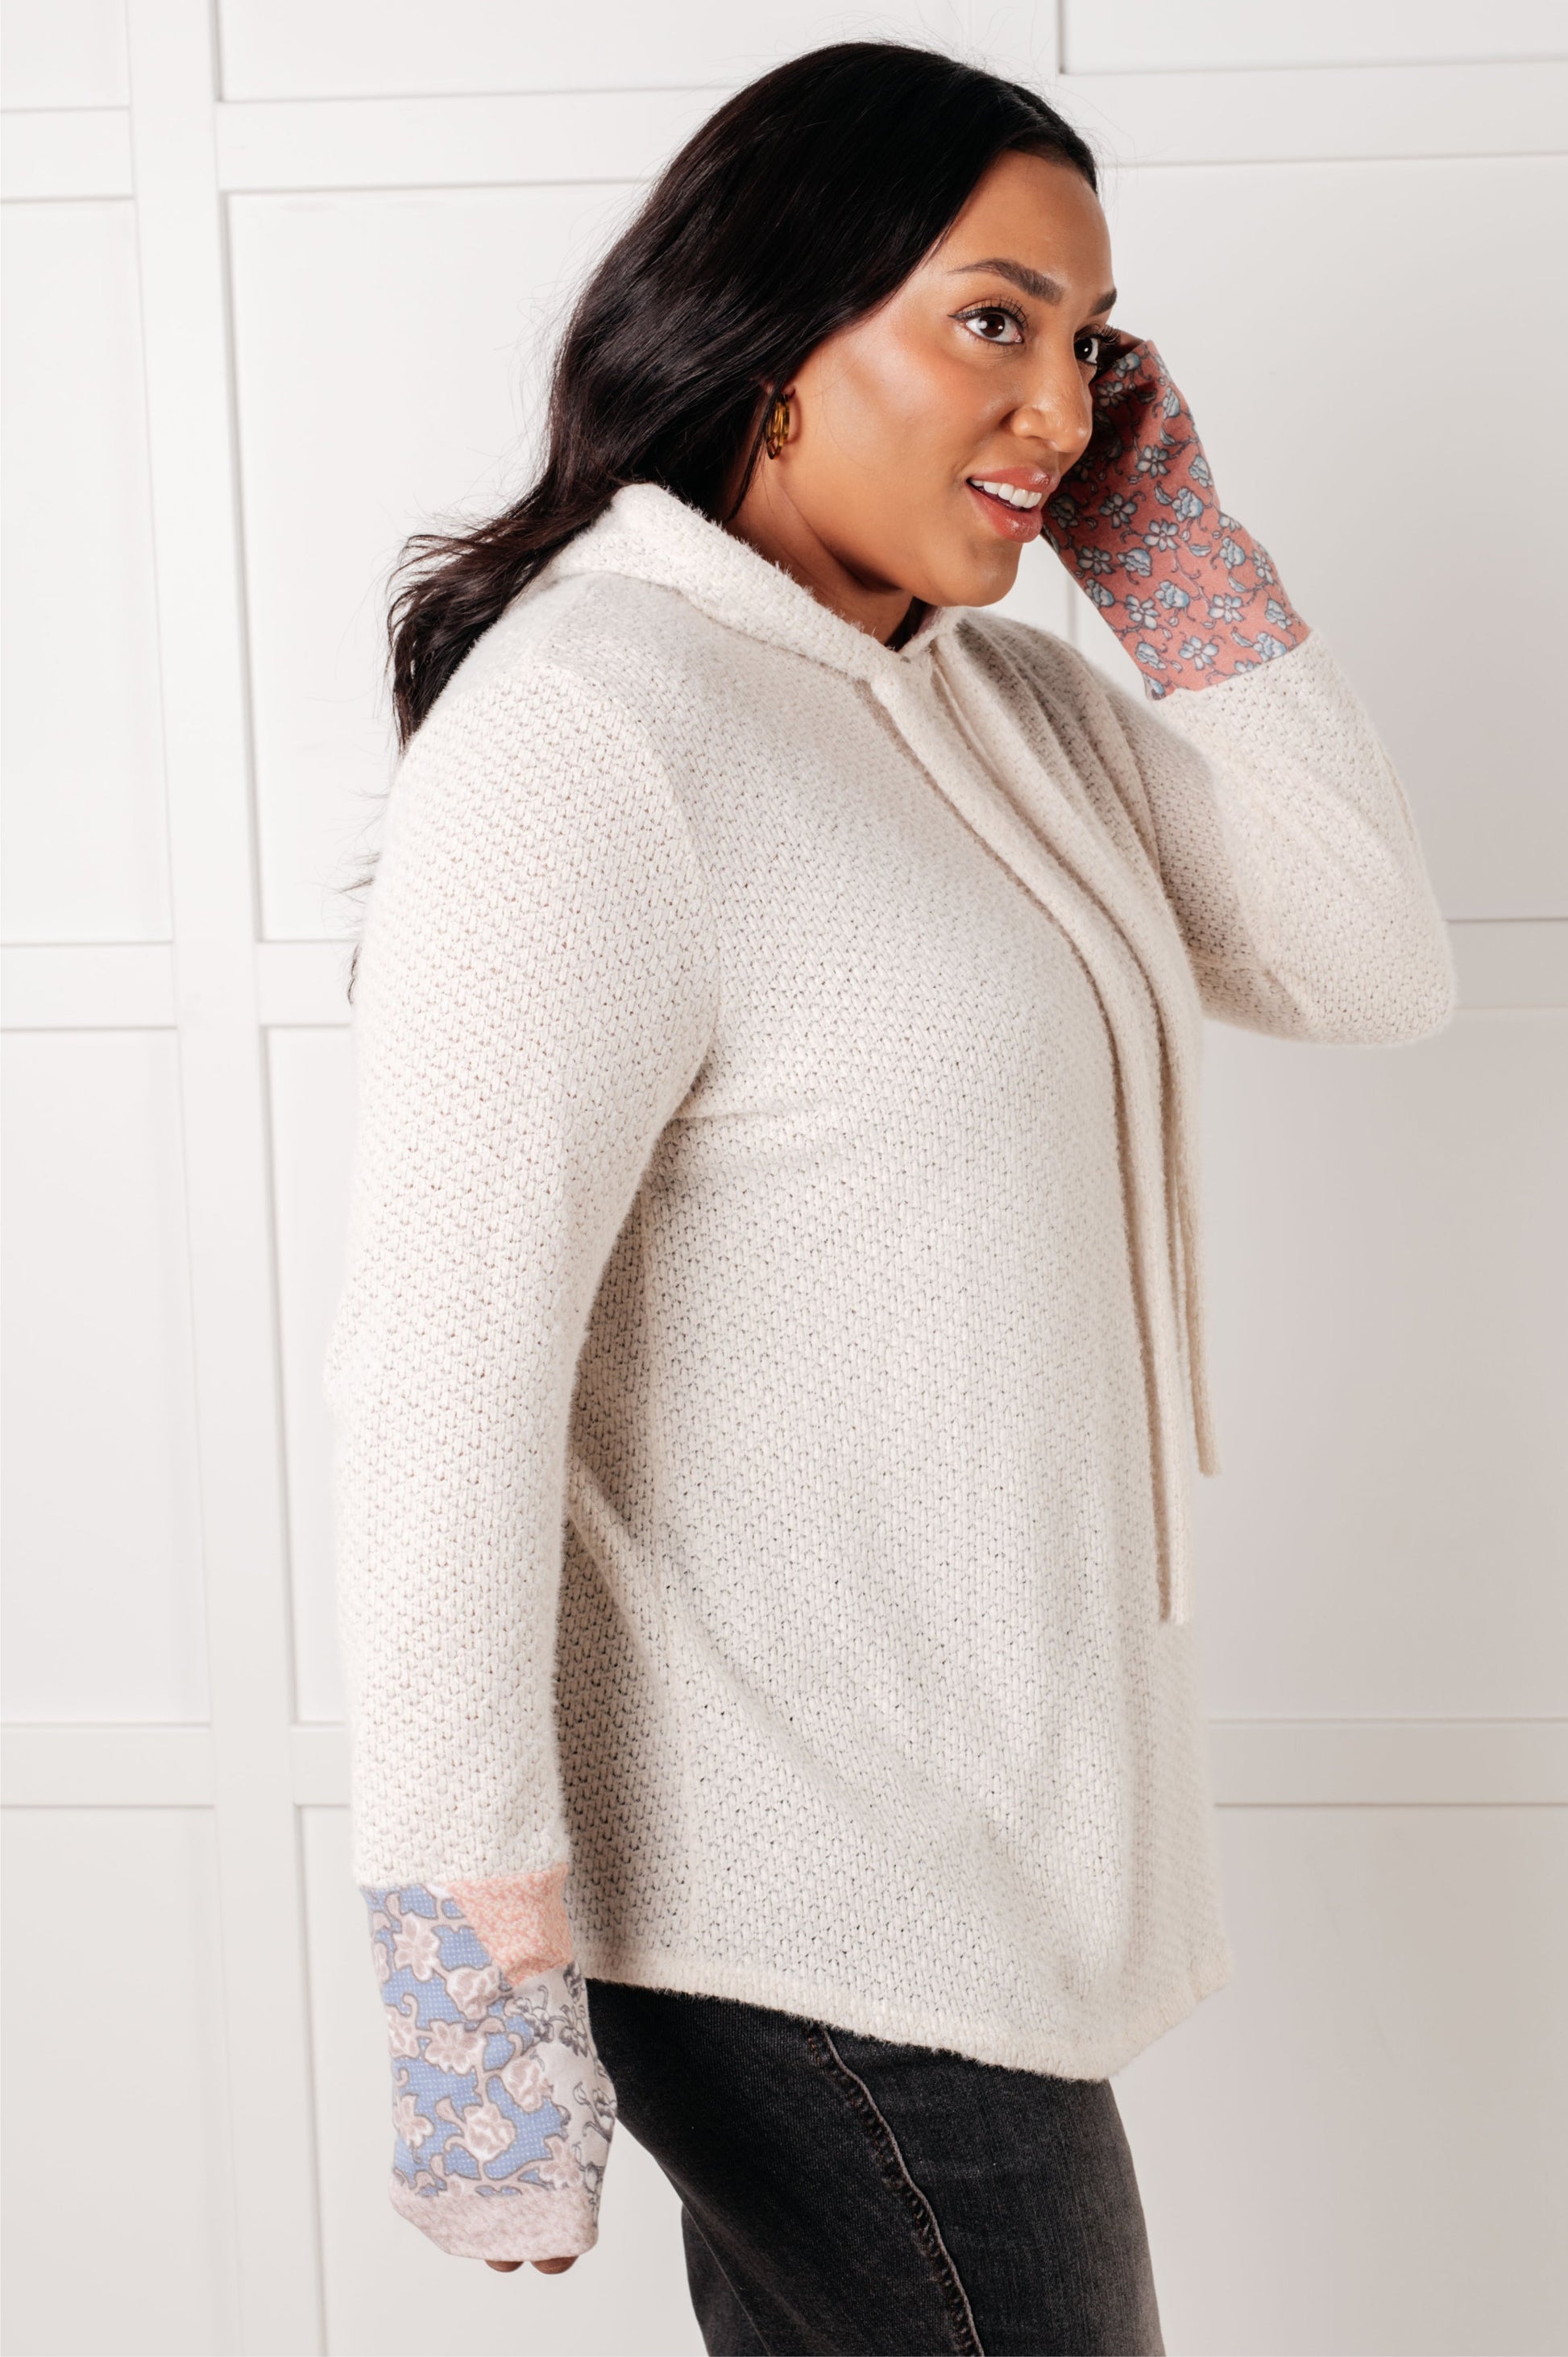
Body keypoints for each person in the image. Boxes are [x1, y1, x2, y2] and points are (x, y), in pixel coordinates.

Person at [326, 41, 1454, 2357]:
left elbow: (1365, 962)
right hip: (792, 1897)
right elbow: (442, 1380)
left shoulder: (994, 700)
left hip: (987, 1861)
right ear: (770, 328)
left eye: (1090, 342)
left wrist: (1173, 563)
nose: (1055, 407)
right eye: (990, 321)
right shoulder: (597, 723)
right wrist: (473, 1986)